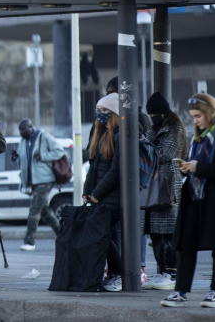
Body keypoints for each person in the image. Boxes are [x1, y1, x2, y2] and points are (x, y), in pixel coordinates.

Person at [161, 94, 215, 308]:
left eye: (198, 116)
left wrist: (198, 167)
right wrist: (187, 167)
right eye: (193, 116)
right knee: (186, 244)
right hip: (196, 198)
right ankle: (180, 291)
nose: (195, 120)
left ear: (210, 113)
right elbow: (197, 164)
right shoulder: (199, 137)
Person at [140, 92, 186, 291]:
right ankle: (162, 271)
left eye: (154, 114)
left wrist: (149, 148)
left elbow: (165, 153)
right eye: (150, 115)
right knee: (156, 234)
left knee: (167, 233)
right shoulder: (153, 129)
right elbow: (146, 150)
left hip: (167, 184)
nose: (152, 118)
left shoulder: (174, 129)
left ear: (162, 113)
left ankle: (172, 272)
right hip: (155, 185)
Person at [83, 93, 124, 292]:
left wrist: (96, 193)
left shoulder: (119, 135)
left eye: (105, 111)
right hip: (102, 197)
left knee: (103, 236)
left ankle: (120, 273)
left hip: (112, 198)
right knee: (109, 236)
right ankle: (116, 274)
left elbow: (115, 171)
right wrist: (87, 190)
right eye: (98, 110)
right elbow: (94, 167)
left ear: (114, 113)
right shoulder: (100, 134)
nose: (100, 115)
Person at [15, 118, 65, 251]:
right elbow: (24, 162)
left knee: (34, 209)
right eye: (19, 130)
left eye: (23, 129)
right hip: (33, 182)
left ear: (31, 128)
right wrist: (16, 159)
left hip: (45, 179)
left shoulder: (44, 136)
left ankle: (29, 241)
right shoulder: (23, 141)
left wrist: (43, 155)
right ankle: (63, 234)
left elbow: (59, 151)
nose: (21, 132)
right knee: (43, 210)